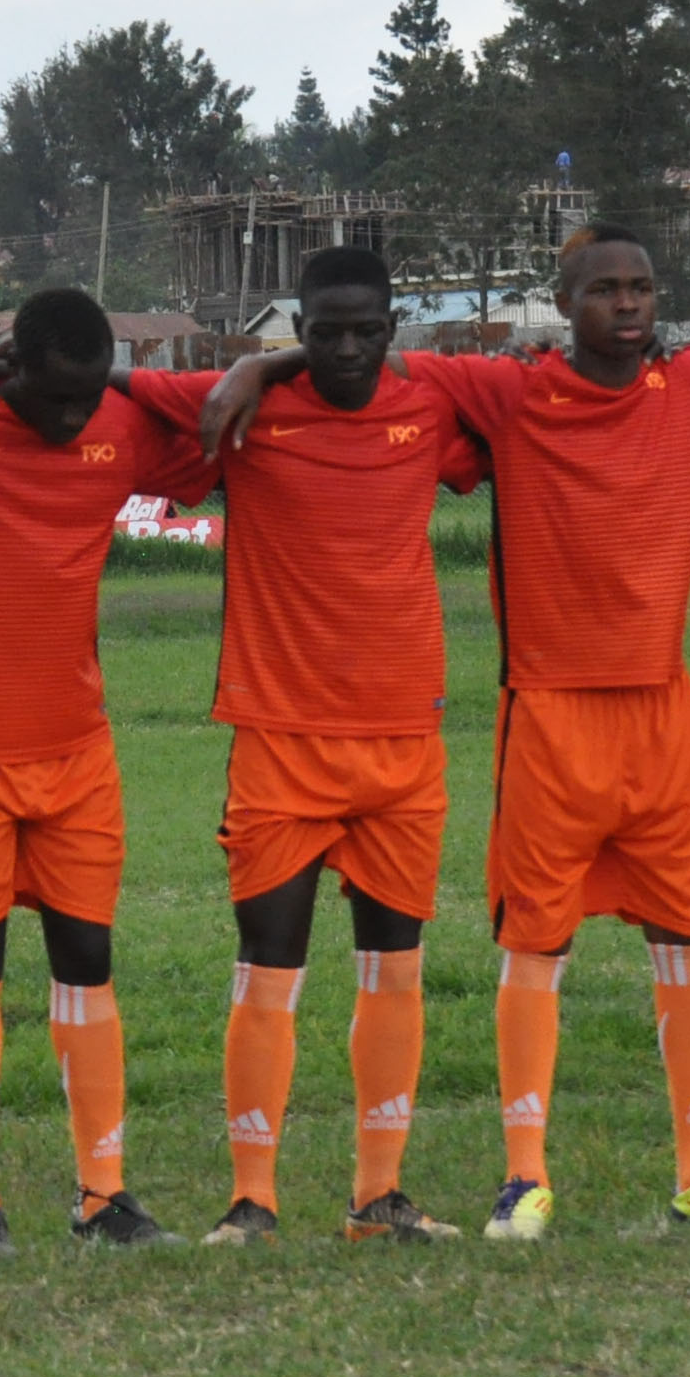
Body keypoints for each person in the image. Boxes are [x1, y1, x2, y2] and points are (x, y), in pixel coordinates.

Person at [310, 224, 690, 1235]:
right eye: (605, 291)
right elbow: (354, 353)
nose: (628, 305)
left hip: (663, 711)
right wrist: (263, 364)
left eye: (643, 288)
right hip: (550, 712)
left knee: (688, 932)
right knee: (539, 943)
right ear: (563, 303)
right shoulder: (509, 392)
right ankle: (523, 1178)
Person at [118, 246, 473, 1245]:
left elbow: (551, 409)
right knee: (268, 968)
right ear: (298, 330)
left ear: (395, 328)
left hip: (405, 739)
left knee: (394, 970)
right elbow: (102, 380)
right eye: (326, 333)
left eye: (368, 331)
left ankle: (378, 1196)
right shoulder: (246, 408)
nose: (349, 349)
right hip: (280, 740)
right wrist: (251, 371)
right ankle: (252, 1201)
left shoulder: (437, 402)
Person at [0, 285, 211, 1256]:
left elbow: (222, 403)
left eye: (87, 395)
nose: (74, 419)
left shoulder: (120, 420)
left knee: (87, 962)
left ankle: (103, 1195)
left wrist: (118, 379)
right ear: (11, 369)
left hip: (77, 750)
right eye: (55, 396)